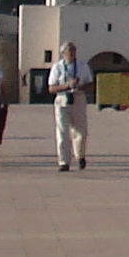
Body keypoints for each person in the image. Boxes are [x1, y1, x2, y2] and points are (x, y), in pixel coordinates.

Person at [49, 42, 89, 172]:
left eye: (73, 50)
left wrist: (78, 87)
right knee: (62, 131)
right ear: (62, 53)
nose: (71, 53)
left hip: (78, 98)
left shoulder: (83, 66)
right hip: (62, 99)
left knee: (81, 131)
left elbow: (91, 84)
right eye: (69, 50)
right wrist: (67, 86)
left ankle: (80, 155)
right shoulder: (57, 67)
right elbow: (51, 88)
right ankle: (64, 161)